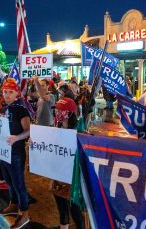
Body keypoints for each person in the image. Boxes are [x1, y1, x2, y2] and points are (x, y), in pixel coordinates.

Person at [0, 79, 31, 228]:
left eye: (10, 92)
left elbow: (29, 130)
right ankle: (13, 204)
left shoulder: (21, 109)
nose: (7, 95)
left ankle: (24, 213)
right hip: (4, 152)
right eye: (5, 92)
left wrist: (17, 137)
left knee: (18, 184)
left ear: (17, 93)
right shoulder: (3, 109)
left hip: (16, 154)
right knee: (9, 182)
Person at [51, 97, 85, 229]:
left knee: (74, 209)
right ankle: (63, 226)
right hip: (58, 174)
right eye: (57, 110)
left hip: (72, 178)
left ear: (70, 113)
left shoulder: (79, 130)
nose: (58, 113)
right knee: (61, 205)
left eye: (62, 111)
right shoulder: (57, 126)